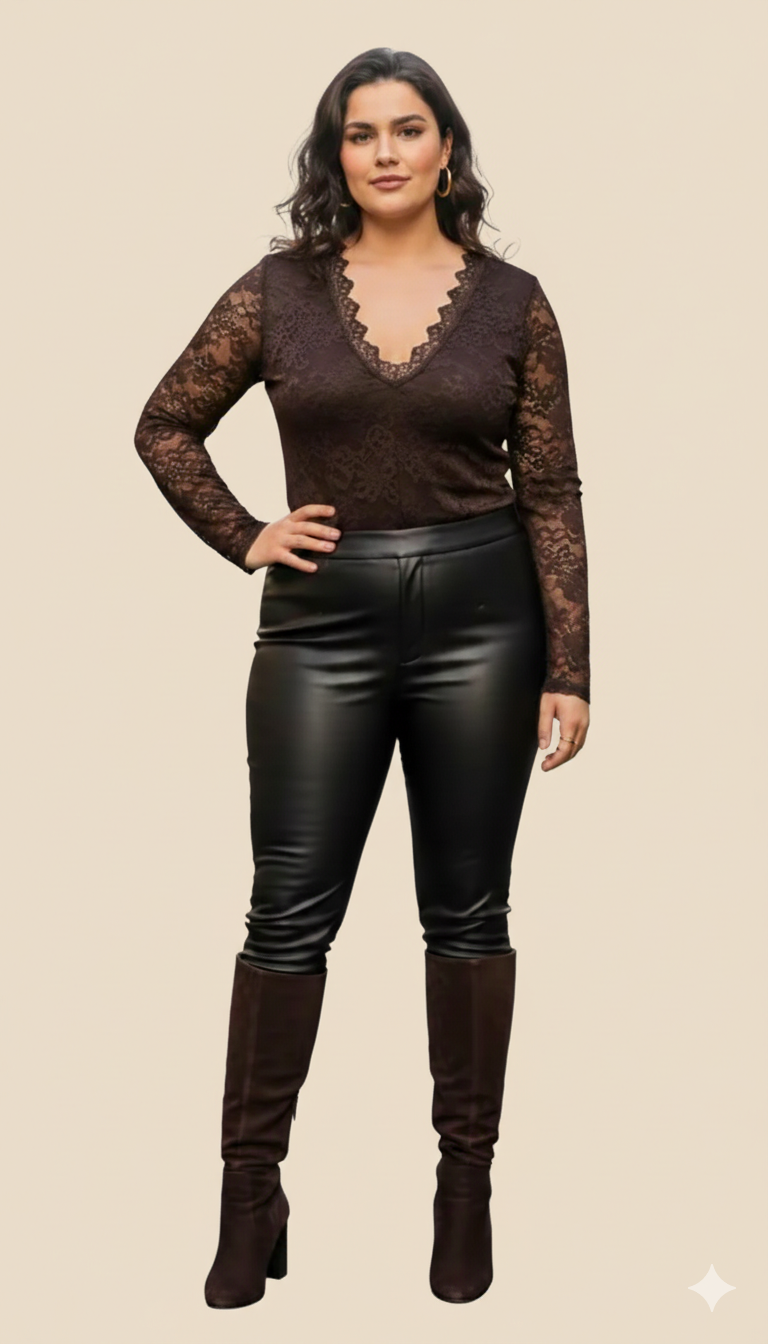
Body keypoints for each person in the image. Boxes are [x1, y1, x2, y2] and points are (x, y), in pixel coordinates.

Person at [133, 46, 591, 1309]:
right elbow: (164, 423)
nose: (384, 151)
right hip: (320, 627)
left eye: (407, 128)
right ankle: (248, 1197)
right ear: (334, 156)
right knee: (286, 915)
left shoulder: (515, 303)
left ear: (447, 148)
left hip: (486, 623)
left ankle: (464, 1192)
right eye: (359, 132)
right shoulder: (276, 293)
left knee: (468, 914)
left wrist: (570, 664)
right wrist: (247, 534)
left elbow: (551, 490)